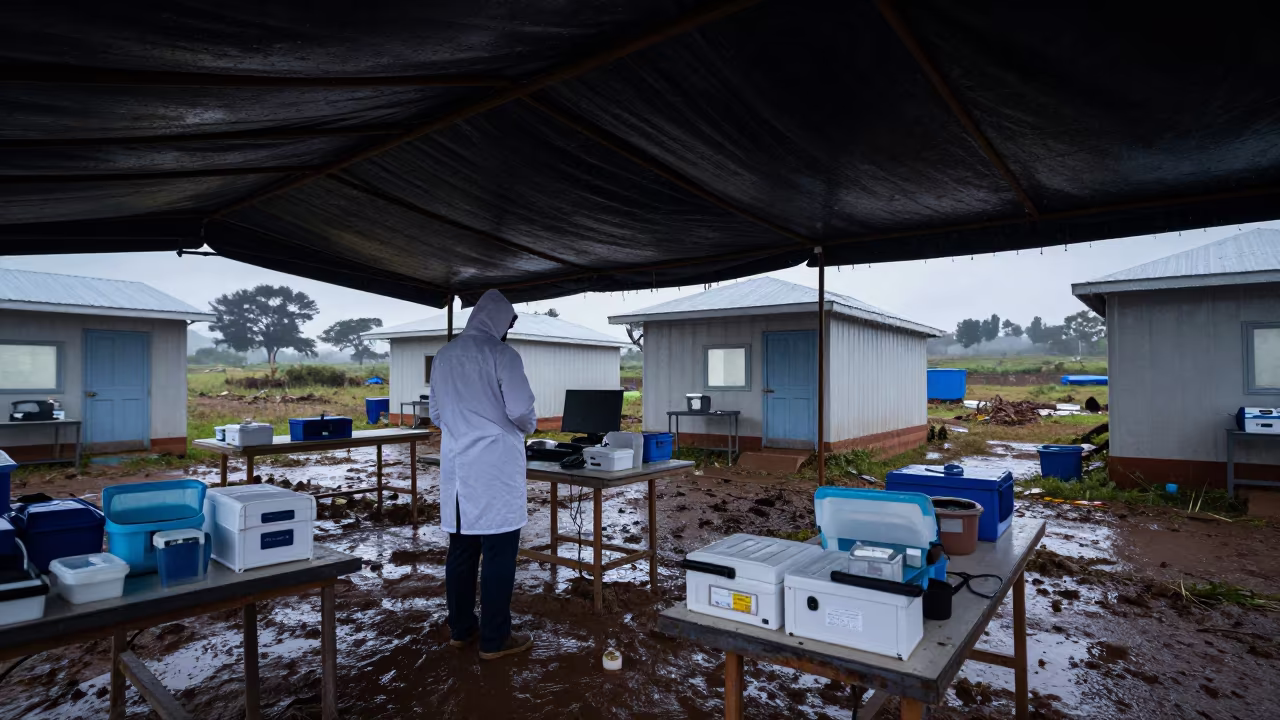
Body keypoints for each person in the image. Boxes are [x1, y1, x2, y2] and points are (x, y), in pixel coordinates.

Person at [428, 289, 537, 660]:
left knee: (461, 549)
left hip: (458, 470)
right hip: (494, 470)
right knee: (498, 551)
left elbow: (437, 415)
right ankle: (494, 639)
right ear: (500, 322)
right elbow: (521, 409)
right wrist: (522, 428)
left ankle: (462, 629)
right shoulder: (502, 355)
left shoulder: (444, 356)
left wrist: (463, 428)